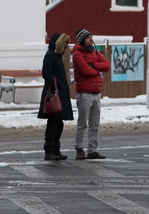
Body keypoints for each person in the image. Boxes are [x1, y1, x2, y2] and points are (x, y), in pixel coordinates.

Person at [72, 29, 111, 160]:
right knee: (82, 123)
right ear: (82, 40)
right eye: (88, 37)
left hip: (96, 92)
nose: (91, 39)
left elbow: (107, 65)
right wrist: (97, 70)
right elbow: (85, 71)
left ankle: (92, 150)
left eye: (91, 36)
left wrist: (94, 65)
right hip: (84, 93)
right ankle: (79, 148)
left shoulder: (95, 52)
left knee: (94, 124)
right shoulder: (77, 54)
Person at [39, 33, 73, 161]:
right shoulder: (51, 55)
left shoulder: (57, 56)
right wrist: (57, 82)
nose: (66, 46)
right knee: (53, 124)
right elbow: (45, 73)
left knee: (59, 124)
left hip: (59, 93)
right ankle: (49, 150)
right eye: (64, 43)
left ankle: (56, 150)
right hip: (54, 93)